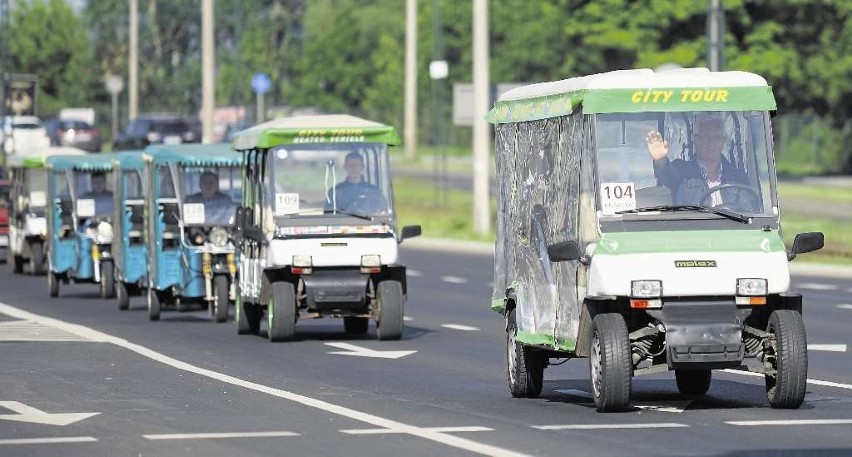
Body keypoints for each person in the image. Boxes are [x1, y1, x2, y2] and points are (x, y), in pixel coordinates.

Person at [646, 115, 752, 208]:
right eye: (705, 137)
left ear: (723, 141)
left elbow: (747, 209)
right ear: (695, 140)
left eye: (716, 138)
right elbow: (666, 174)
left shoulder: (739, 177)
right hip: (692, 229)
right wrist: (660, 160)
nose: (711, 143)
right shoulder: (682, 172)